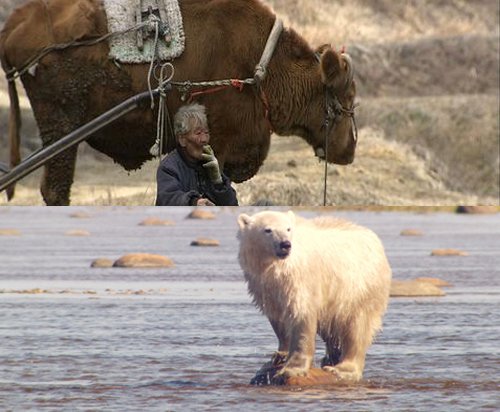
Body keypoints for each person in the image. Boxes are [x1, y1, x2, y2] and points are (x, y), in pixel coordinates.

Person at [155, 103, 238, 206]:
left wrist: (218, 181)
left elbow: (232, 206)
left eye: (206, 133)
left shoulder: (209, 164)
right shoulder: (168, 168)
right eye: (198, 133)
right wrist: (194, 202)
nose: (204, 139)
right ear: (182, 140)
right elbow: (168, 198)